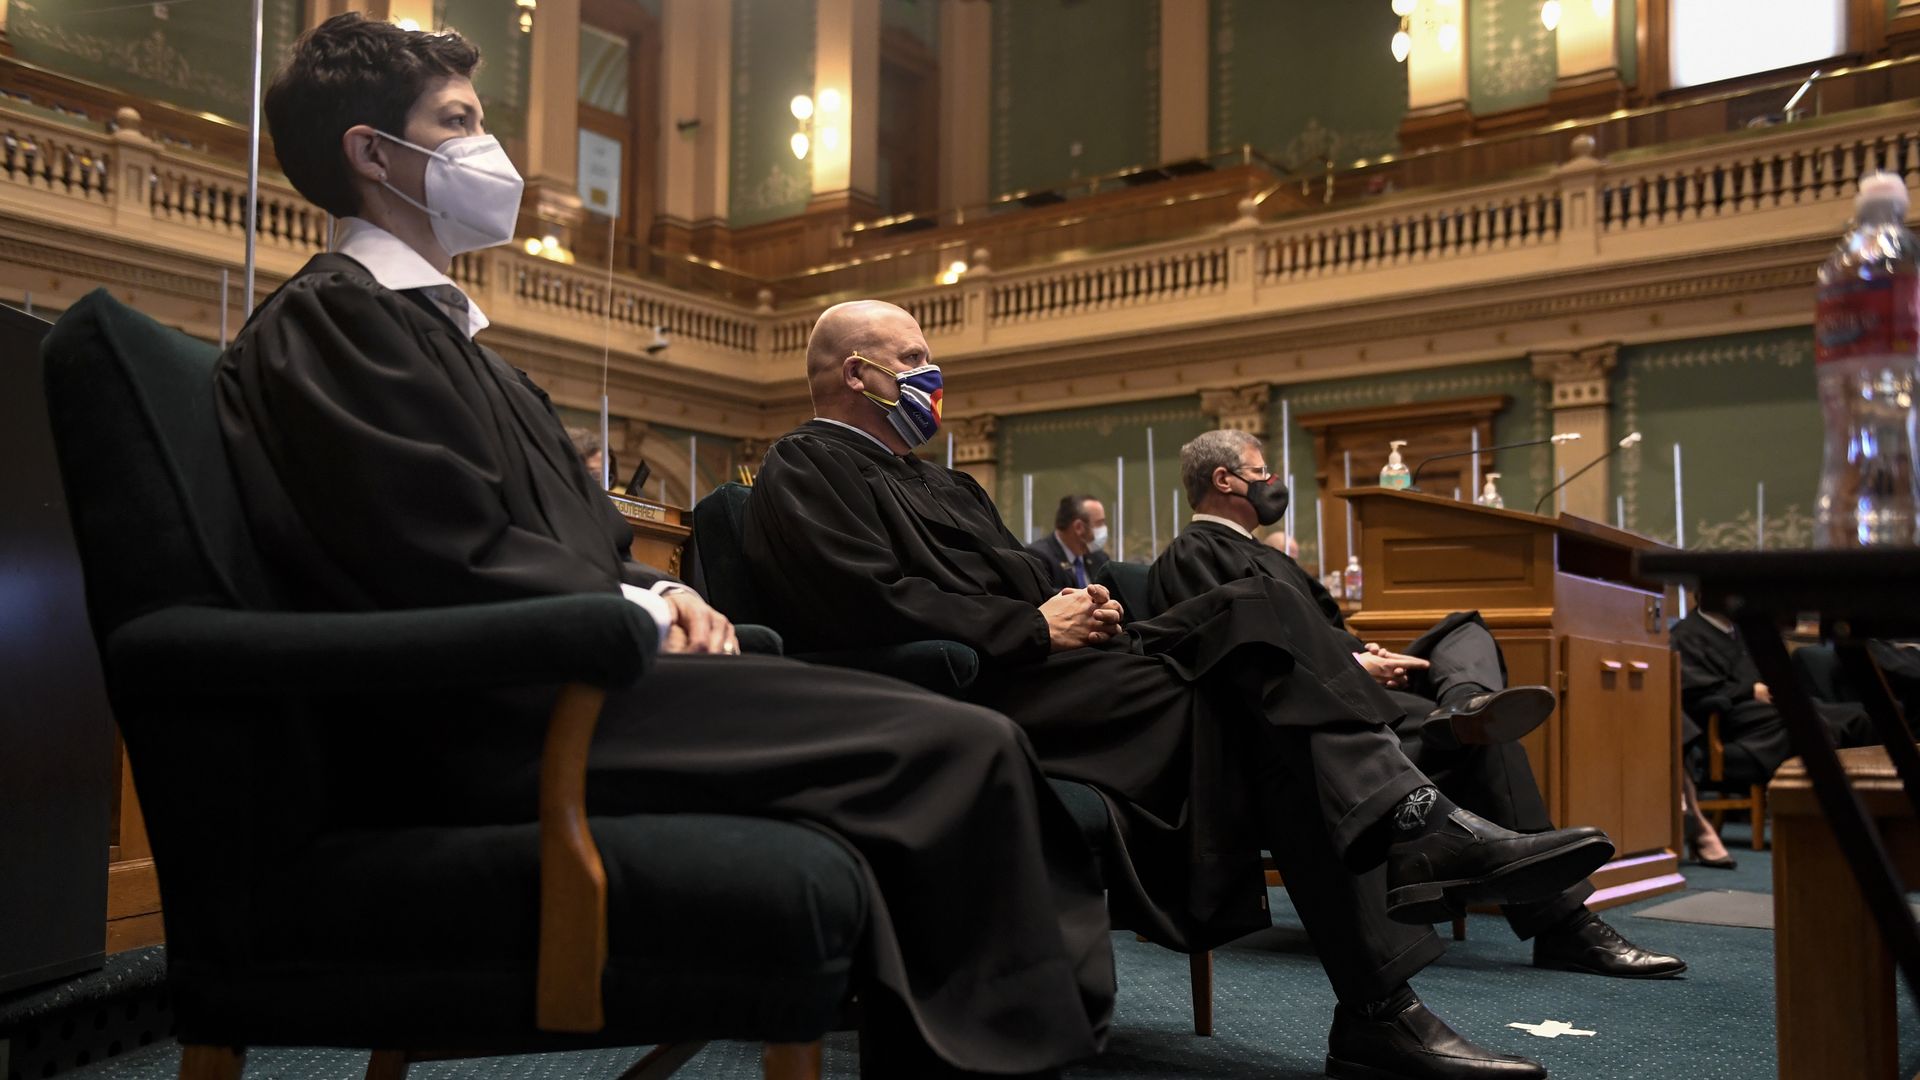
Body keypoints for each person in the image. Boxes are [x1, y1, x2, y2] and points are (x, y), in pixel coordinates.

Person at [214, 18, 1113, 1077]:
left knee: (959, 734)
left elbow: (578, 534)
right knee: (956, 747)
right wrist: (639, 607)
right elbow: (431, 550)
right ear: (372, 153)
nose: (488, 151)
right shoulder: (332, 325)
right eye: (457, 123)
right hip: (509, 712)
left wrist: (656, 586)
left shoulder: (448, 338)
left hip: (574, 673)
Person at [743, 299, 1619, 1080]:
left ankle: (1399, 914)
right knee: (1276, 716)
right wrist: (1032, 628)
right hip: (966, 693)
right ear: (861, 372)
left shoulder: (948, 483)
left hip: (1055, 673)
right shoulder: (804, 468)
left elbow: (1014, 584)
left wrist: (1084, 607)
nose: (935, 376)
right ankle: (1400, 912)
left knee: (1255, 617)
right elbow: (858, 603)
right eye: (916, 358)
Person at [1149, 429, 1686, 981]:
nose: (1271, 483)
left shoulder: (1267, 555)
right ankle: (1566, 926)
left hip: (1356, 689)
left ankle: (1464, 705)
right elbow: (1240, 656)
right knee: (1486, 742)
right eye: (1262, 473)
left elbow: (1322, 631)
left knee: (1464, 629)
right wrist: (1356, 666)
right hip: (1308, 720)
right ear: (1223, 480)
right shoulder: (1193, 554)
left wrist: (1364, 651)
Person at [1671, 607, 1874, 785]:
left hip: (1768, 705)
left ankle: (1872, 797)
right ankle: (1816, 806)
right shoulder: (1686, 634)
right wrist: (1751, 690)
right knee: (1808, 722)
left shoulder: (1741, 631)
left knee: (1859, 716)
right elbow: (1695, 691)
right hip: (1735, 719)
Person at [1026, 494, 1109, 590]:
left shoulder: (1100, 558)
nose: (1104, 528)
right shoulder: (1038, 558)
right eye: (1099, 523)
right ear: (1079, 527)